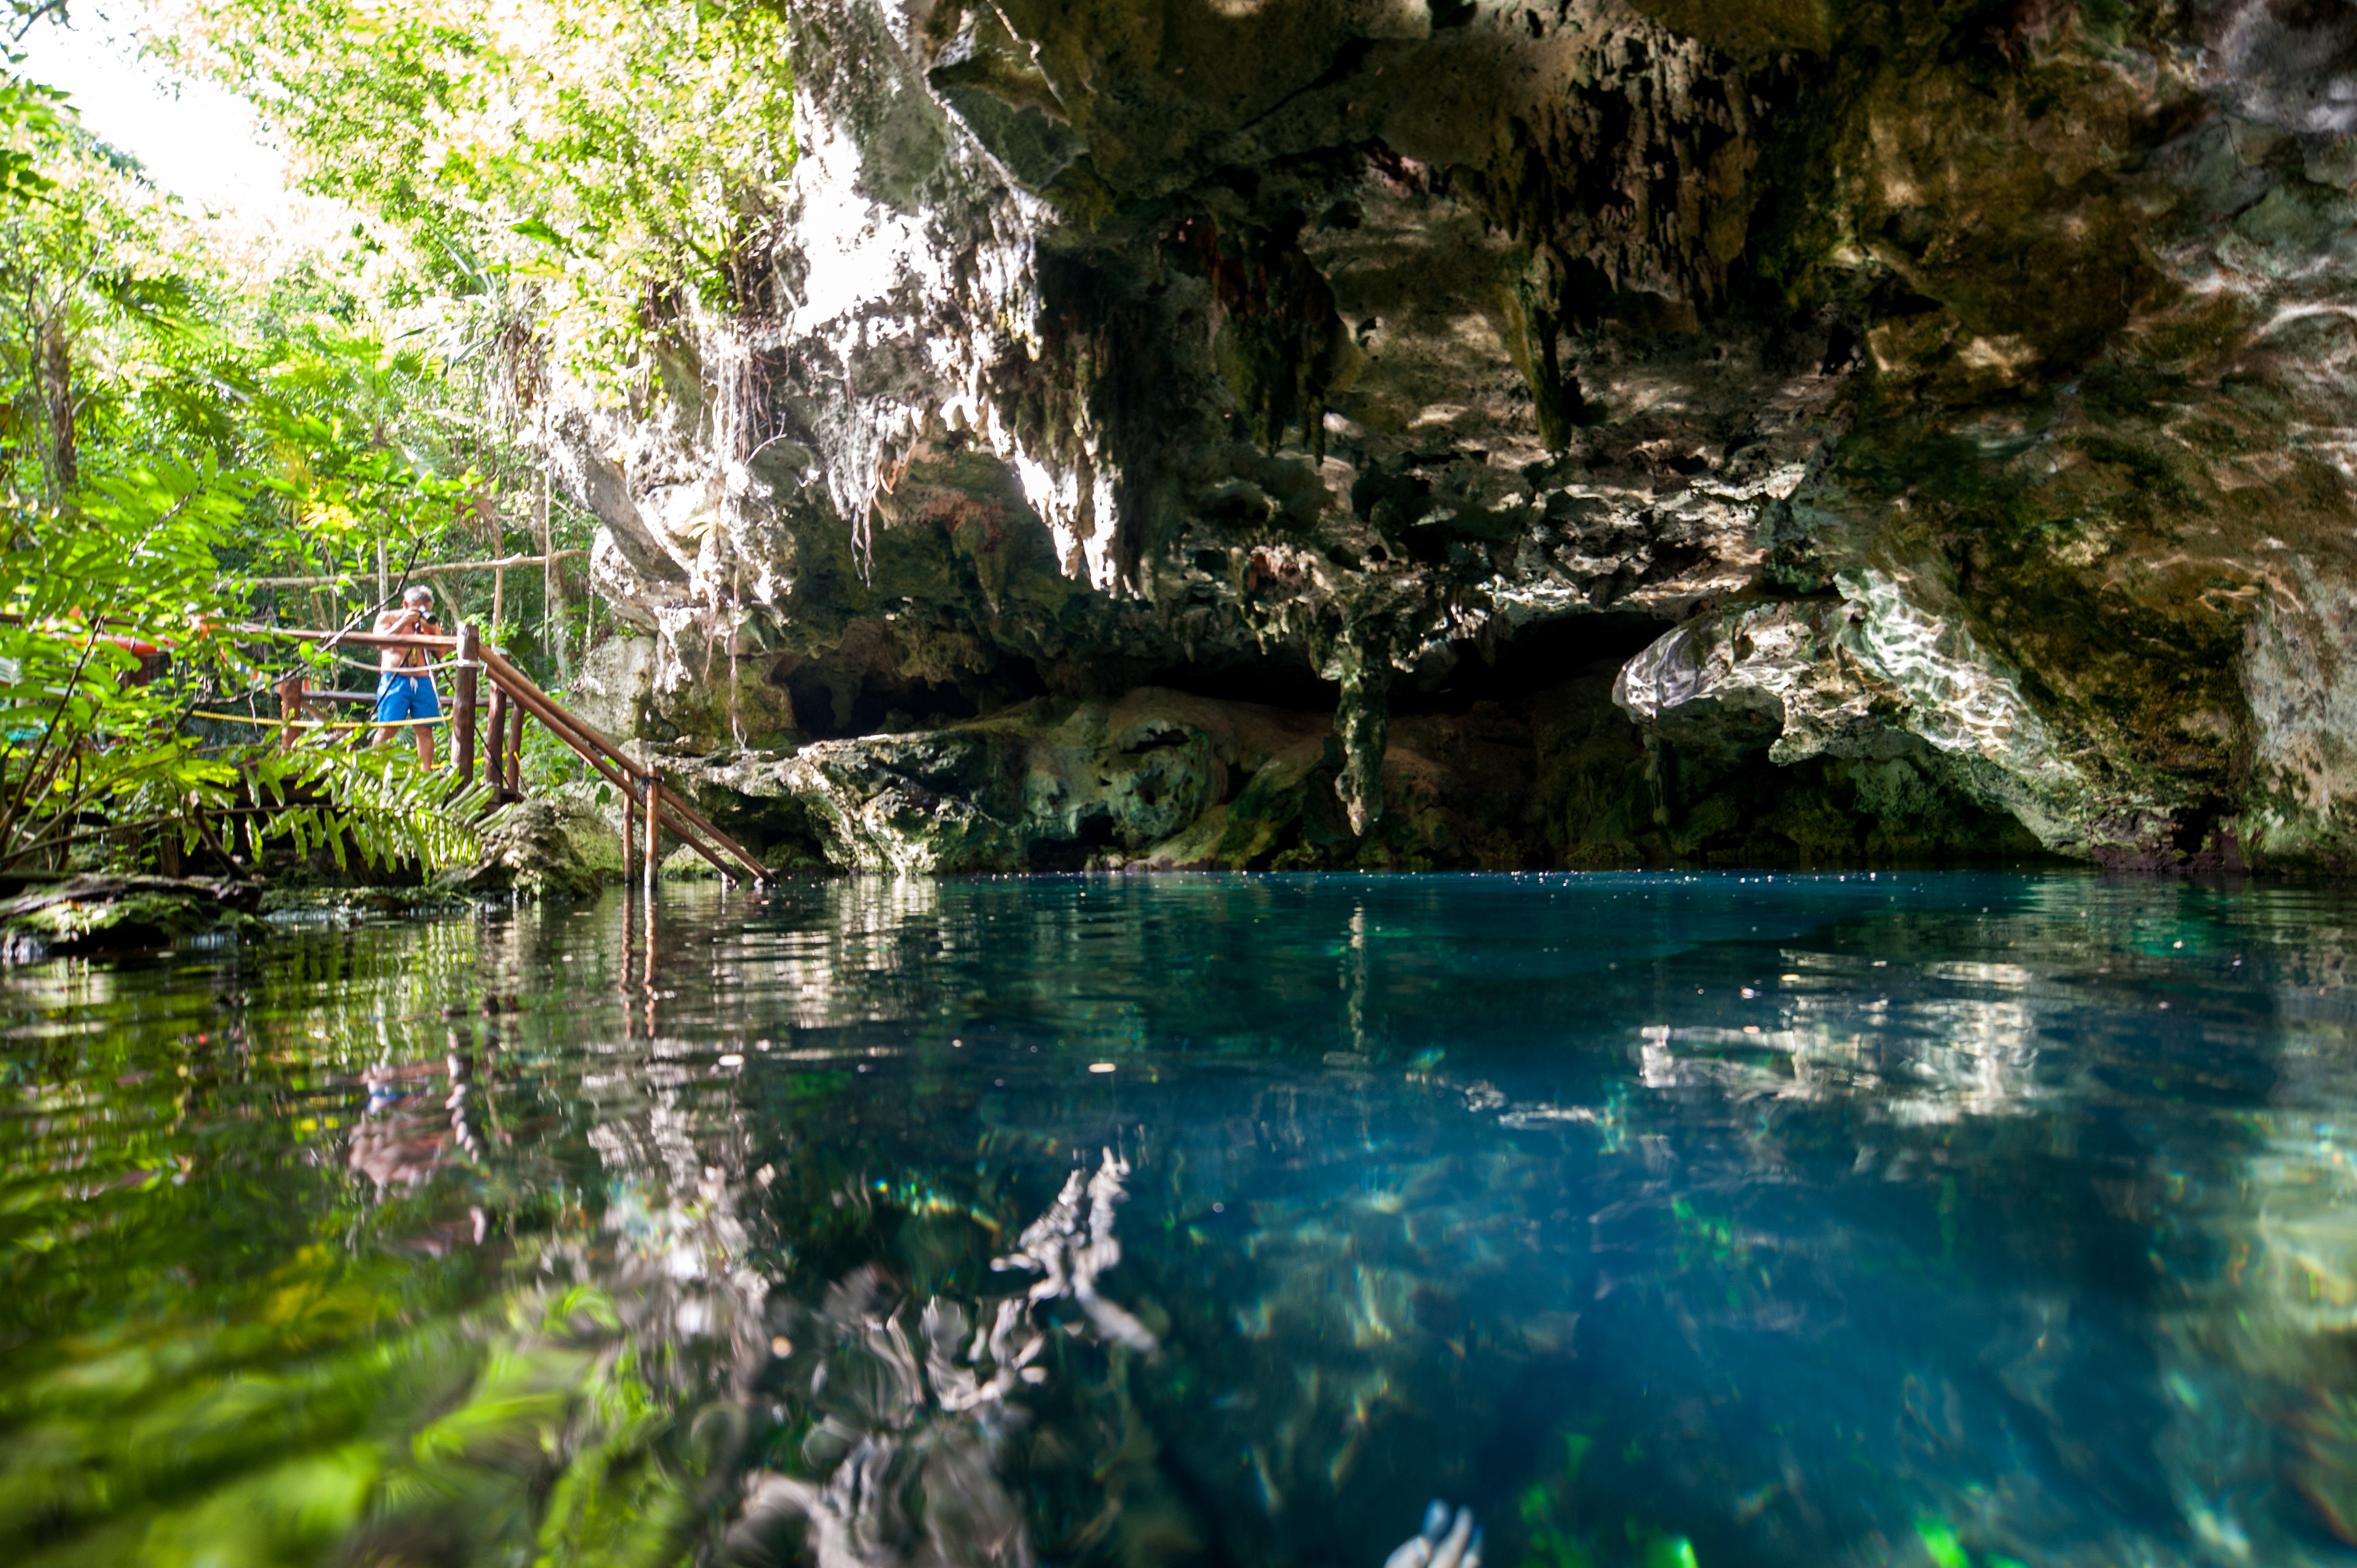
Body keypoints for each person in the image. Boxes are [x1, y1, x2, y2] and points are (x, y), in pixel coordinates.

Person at [372, 583, 444, 764]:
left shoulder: (428, 622)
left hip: (423, 680)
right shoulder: (387, 618)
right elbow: (380, 644)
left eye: (425, 610)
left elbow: (441, 653)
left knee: (425, 730)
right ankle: (377, 773)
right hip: (395, 680)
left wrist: (433, 629)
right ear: (405, 604)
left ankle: (425, 777)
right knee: (388, 729)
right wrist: (403, 622)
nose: (421, 613)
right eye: (418, 609)